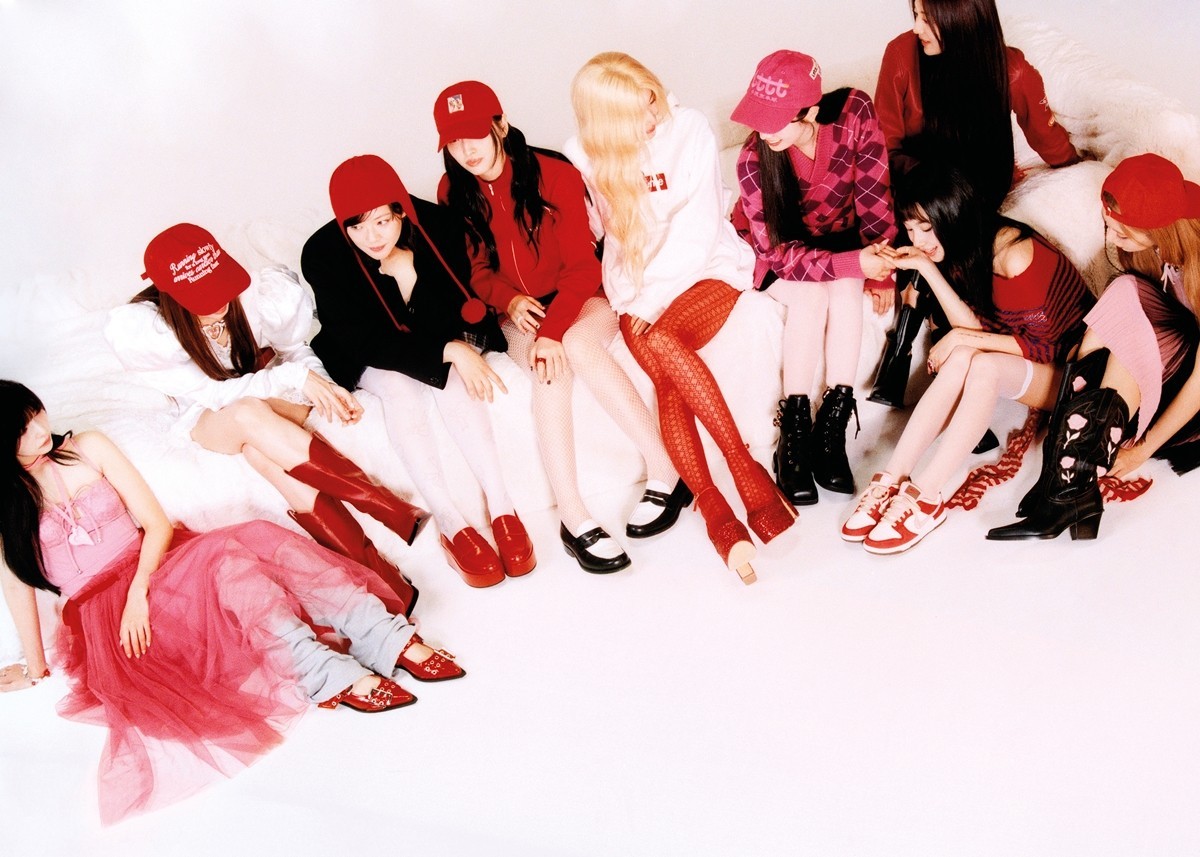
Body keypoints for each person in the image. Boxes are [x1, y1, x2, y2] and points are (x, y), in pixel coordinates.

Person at [0, 380, 464, 824]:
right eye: (24, 429)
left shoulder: (88, 447)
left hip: (155, 565)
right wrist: (36, 667)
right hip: (110, 617)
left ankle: (381, 633)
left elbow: (155, 523)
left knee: (244, 549)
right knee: (231, 567)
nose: (41, 429)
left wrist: (140, 589)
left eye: (37, 413)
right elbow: (17, 586)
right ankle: (322, 672)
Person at [434, 80, 690, 573]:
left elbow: (582, 266)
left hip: (580, 296)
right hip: (516, 311)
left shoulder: (553, 173)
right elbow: (475, 271)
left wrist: (552, 331)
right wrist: (509, 300)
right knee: (549, 374)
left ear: (500, 126)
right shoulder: (454, 191)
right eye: (453, 140)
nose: (465, 150)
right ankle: (573, 518)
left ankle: (666, 471)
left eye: (473, 134)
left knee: (579, 347)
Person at [564, 52, 797, 585]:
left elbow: (697, 231)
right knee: (668, 372)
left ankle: (739, 477)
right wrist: (636, 295)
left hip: (705, 270)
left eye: (651, 97)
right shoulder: (586, 154)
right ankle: (719, 506)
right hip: (635, 288)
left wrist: (655, 301)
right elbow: (615, 238)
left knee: (666, 344)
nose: (653, 115)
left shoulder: (689, 128)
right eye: (635, 111)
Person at [105, 224, 421, 613]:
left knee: (261, 454)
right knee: (246, 412)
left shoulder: (257, 294)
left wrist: (321, 385)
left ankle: (384, 578)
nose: (219, 302)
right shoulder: (151, 332)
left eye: (220, 286)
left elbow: (295, 349)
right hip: (211, 414)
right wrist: (295, 378)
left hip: (266, 401)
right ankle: (381, 504)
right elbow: (214, 395)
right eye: (203, 297)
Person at [302, 154, 535, 588]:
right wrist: (449, 350)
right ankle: (450, 522)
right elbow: (363, 340)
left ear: (401, 210)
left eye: (381, 222)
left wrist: (409, 276)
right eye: (356, 227)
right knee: (399, 386)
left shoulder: (438, 226)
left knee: (454, 380)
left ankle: (503, 507)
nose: (371, 238)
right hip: (366, 350)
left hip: (434, 331)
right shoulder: (322, 253)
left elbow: (454, 313)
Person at [840, 164, 1093, 553]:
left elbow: (1042, 347)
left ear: (953, 214)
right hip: (1030, 358)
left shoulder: (1012, 255)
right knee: (963, 356)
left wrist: (961, 337)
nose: (917, 240)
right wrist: (926, 268)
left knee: (982, 364)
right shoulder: (961, 248)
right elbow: (976, 326)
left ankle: (926, 497)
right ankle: (892, 478)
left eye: (926, 227)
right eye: (910, 229)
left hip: (1073, 373)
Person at [988, 153, 1200, 540]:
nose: (1113, 240)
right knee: (1123, 288)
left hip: (1192, 391)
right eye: (1109, 227)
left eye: (1124, 233)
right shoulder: (1155, 234)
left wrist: (1142, 449)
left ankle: (1070, 485)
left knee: (1129, 332)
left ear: (1161, 229)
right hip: (1168, 348)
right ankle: (1063, 477)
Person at [731, 50, 898, 505]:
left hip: (841, 240)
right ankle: (795, 432)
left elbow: (875, 195)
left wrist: (880, 268)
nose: (764, 131)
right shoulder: (753, 159)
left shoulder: (854, 113)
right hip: (779, 255)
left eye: (775, 121)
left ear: (809, 110)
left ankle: (832, 428)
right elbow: (777, 254)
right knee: (812, 298)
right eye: (758, 118)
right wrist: (853, 263)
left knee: (847, 287)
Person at [875, 0, 1080, 210]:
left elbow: (1045, 135)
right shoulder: (900, 54)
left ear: (962, 18)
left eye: (926, 19)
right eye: (916, 14)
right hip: (918, 182)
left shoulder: (1013, 71)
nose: (917, 28)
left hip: (981, 187)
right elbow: (883, 145)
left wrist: (1075, 162)